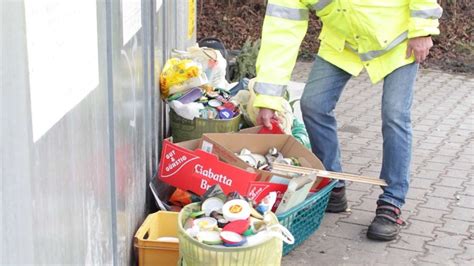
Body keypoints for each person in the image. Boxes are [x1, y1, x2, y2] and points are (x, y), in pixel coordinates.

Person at [254, 0, 442, 241]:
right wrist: (269, 98)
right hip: (344, 42)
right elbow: (282, 30)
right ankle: (333, 185)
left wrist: (423, 29)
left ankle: (391, 202)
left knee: (395, 115)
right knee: (313, 104)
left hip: (398, 39)